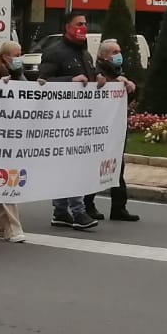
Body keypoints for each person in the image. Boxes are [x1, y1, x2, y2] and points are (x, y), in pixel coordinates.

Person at [38, 12, 101, 230]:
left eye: (85, 24)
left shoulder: (84, 51)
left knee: (72, 165)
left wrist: (99, 79)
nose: (84, 28)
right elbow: (42, 82)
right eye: (79, 24)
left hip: (83, 118)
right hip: (62, 120)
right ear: (67, 26)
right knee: (73, 165)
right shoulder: (54, 52)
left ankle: (61, 211)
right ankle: (78, 211)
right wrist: (69, 80)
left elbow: (89, 78)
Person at [0, 43, 29, 242]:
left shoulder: (20, 74)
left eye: (20, 54)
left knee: (2, 179)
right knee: (5, 179)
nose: (18, 58)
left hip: (13, 136)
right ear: (4, 56)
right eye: (15, 55)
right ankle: (12, 227)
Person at [95, 37, 141, 222]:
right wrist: (110, 81)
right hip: (98, 128)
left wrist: (130, 87)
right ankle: (88, 205)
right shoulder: (97, 72)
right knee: (96, 167)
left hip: (115, 127)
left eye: (119, 51)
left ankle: (119, 207)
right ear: (104, 56)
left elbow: (124, 101)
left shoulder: (118, 72)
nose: (118, 55)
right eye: (114, 52)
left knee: (117, 167)